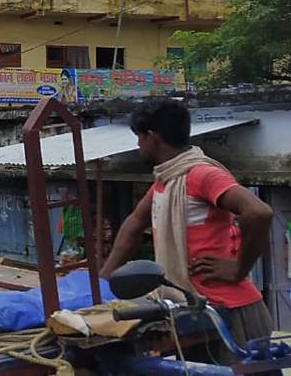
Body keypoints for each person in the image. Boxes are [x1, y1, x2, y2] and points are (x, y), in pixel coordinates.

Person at [101, 100, 274, 364]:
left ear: (152, 137)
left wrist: (239, 268)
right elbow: (135, 223)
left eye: (139, 138)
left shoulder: (200, 174)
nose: (137, 146)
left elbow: (259, 212)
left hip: (228, 311)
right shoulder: (166, 182)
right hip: (191, 310)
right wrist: (104, 281)